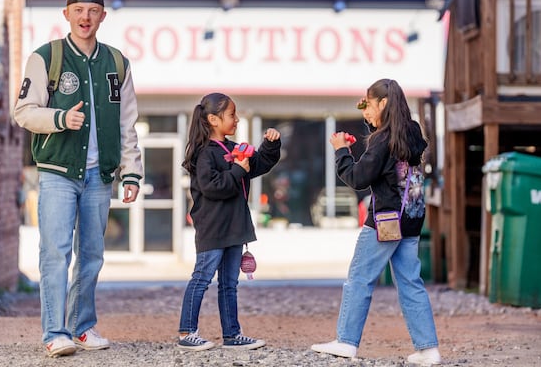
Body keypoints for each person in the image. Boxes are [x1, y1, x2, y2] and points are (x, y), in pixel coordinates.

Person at [14, 0, 143, 358]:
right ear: (67, 14)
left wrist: (131, 172)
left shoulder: (117, 63)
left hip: (99, 177)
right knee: (55, 253)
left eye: (93, 11)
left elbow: (127, 123)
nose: (85, 17)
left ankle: (82, 327)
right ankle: (55, 332)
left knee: (92, 256)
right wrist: (59, 118)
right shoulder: (46, 58)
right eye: (78, 10)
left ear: (102, 15)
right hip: (57, 172)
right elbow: (23, 112)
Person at [311, 79, 442, 366]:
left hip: (385, 220)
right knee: (410, 282)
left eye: (367, 104)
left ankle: (346, 341)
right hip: (412, 219)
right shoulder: (412, 132)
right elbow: (391, 161)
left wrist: (341, 151)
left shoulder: (383, 140)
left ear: (382, 103)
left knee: (359, 279)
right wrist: (373, 126)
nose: (364, 110)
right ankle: (428, 349)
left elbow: (358, 178)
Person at [177, 92, 281, 351]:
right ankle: (187, 332)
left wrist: (270, 145)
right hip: (213, 228)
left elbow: (260, 164)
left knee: (229, 284)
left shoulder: (235, 149)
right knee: (202, 277)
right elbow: (212, 187)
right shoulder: (204, 154)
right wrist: (237, 170)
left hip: (235, 228)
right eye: (231, 115)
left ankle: (232, 335)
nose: (236, 119)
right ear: (213, 119)